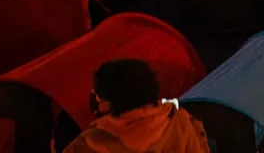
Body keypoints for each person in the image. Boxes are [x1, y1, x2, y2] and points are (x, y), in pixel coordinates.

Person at [64, 59, 209, 153]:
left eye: (98, 95)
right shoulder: (181, 123)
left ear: (112, 101)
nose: (94, 97)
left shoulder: (89, 144)